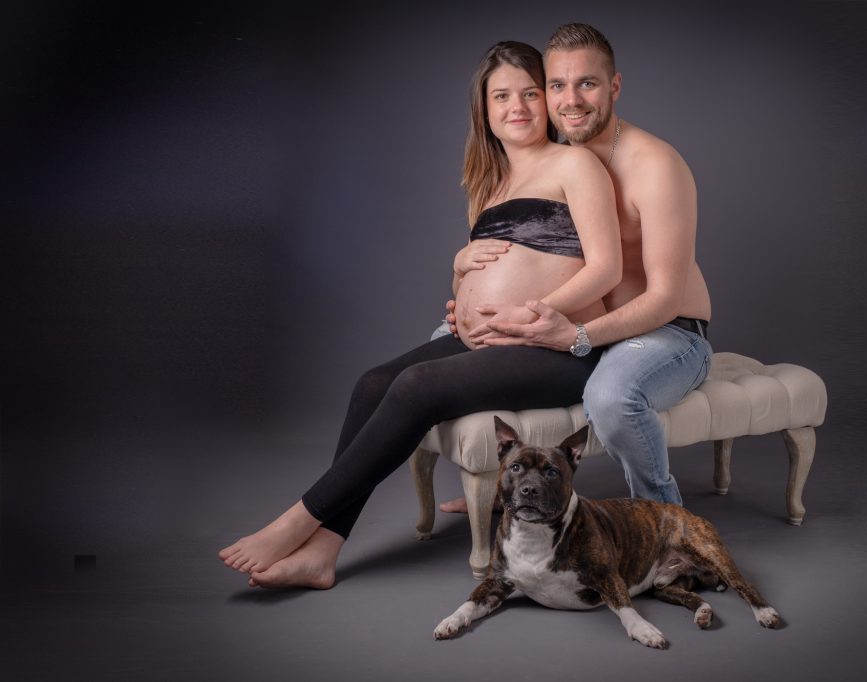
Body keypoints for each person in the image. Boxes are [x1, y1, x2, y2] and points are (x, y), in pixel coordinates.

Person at [217, 40, 621, 589]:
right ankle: (323, 553)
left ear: (547, 100)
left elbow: (607, 268)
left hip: (554, 348)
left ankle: (298, 521)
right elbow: (476, 277)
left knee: (415, 386)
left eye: (530, 92)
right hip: (492, 342)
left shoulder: (574, 164)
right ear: (483, 108)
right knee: (373, 382)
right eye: (501, 95)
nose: (517, 106)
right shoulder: (492, 182)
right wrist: (460, 273)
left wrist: (537, 314)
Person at [439, 23, 711, 511]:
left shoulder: (655, 164)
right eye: (557, 86)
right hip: (584, 329)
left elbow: (665, 296)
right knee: (445, 348)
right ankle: (508, 490)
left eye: (587, 83)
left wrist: (577, 337)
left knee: (610, 397)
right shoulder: (555, 162)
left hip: (666, 333)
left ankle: (667, 524)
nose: (571, 100)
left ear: (614, 86)